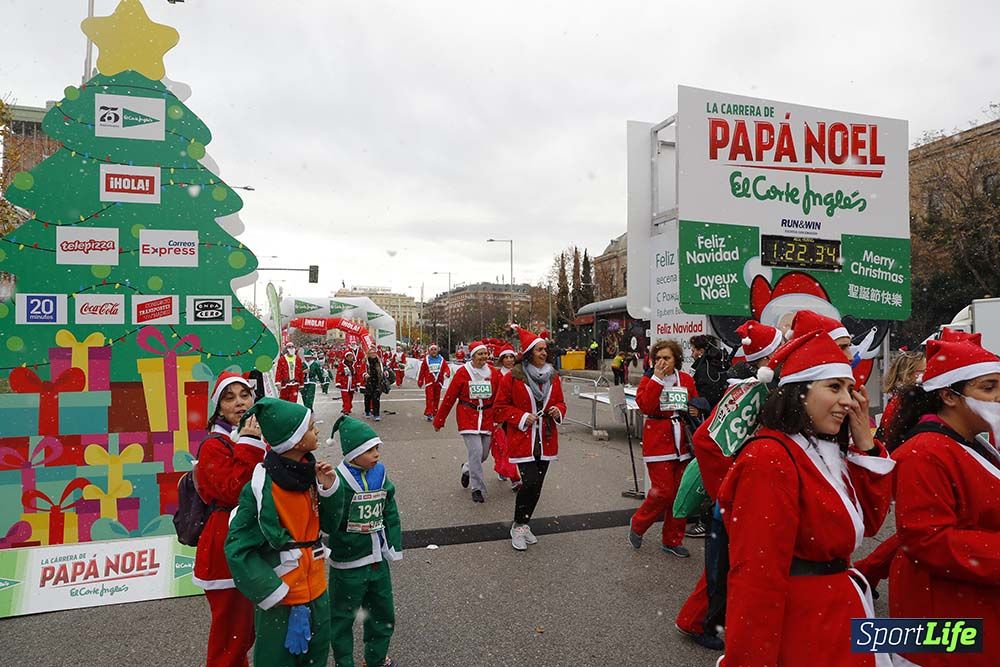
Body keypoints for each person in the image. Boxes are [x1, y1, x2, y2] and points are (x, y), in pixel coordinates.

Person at [716, 330, 894, 667]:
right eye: (834, 387)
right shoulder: (770, 458)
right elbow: (756, 580)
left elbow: (868, 523)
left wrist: (865, 447)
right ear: (800, 391)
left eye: (849, 388)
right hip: (806, 628)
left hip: (838, 615)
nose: (849, 400)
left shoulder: (825, 448)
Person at [881, 338, 1000, 667]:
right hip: (944, 617)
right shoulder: (926, 453)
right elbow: (926, 539)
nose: (998, 397)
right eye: (989, 387)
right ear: (948, 395)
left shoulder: (969, 443)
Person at [674, 319, 783, 651]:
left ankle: (703, 619)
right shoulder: (754, 392)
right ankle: (698, 621)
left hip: (749, 491)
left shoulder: (760, 387)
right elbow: (707, 442)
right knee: (723, 567)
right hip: (739, 495)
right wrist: (727, 488)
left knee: (729, 565)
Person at [224, 397, 338, 667]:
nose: (317, 432)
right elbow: (237, 548)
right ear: (296, 441)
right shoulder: (260, 489)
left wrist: (330, 489)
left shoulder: (311, 475)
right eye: (311, 428)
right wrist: (271, 590)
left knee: (317, 657)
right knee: (275, 661)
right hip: (281, 600)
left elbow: (331, 525)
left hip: (318, 592)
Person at [193, 372, 266, 667]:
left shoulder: (257, 436)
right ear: (219, 408)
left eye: (244, 395)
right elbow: (235, 491)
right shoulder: (214, 445)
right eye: (229, 397)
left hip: (251, 543)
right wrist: (249, 443)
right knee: (230, 636)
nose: (239, 403)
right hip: (225, 546)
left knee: (246, 631)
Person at [324, 416, 402, 667]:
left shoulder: (380, 473)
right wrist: (326, 491)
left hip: (378, 562)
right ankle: (344, 662)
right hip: (348, 565)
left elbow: (389, 507)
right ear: (352, 454)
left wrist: (393, 543)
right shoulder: (337, 480)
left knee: (382, 614)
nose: (376, 454)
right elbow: (327, 518)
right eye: (369, 450)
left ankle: (376, 658)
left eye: (377, 448)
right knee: (342, 618)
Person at [495, 326, 566, 551]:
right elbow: (499, 409)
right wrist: (522, 416)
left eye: (545, 349)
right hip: (523, 439)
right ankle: (517, 525)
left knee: (537, 486)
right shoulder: (513, 378)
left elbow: (562, 402)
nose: (544, 353)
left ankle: (524, 524)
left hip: (545, 439)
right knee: (531, 482)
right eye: (539, 350)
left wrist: (557, 410)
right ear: (528, 353)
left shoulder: (553, 377)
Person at [627, 339, 699, 558]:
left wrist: (693, 408)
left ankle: (672, 539)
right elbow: (646, 405)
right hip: (658, 441)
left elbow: (693, 401)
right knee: (663, 491)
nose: (661, 362)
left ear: (675, 359)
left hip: (681, 442)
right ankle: (638, 524)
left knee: (680, 495)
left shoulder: (685, 379)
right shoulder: (649, 379)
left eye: (666, 358)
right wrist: (657, 378)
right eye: (658, 358)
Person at [434, 340, 501, 503]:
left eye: (485, 353)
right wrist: (440, 419)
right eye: (480, 354)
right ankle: (477, 488)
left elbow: (500, 397)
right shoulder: (463, 373)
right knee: (476, 452)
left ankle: (466, 469)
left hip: (487, 418)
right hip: (468, 417)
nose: (483, 357)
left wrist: (501, 419)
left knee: (483, 454)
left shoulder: (493, 373)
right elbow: (450, 397)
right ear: (473, 356)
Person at [491, 344, 522, 490]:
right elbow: (493, 398)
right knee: (503, 447)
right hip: (501, 418)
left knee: (515, 448)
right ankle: (514, 478)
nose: (509, 360)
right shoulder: (496, 376)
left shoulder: (520, 374)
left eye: (511, 357)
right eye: (506, 357)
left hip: (518, 417)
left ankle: (505, 469)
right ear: (501, 359)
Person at [689, 334, 728, 408]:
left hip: (706, 412)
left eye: (693, 351)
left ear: (701, 351)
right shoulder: (721, 365)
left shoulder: (700, 369)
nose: (692, 355)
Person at [417, 343, 450, 422]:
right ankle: (429, 413)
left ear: (437, 350)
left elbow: (446, 368)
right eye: (431, 350)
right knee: (429, 398)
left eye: (435, 349)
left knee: (437, 398)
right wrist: (420, 380)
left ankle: (435, 412)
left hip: (438, 383)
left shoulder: (441, 360)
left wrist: (447, 373)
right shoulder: (426, 360)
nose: (433, 351)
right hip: (429, 382)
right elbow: (422, 371)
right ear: (429, 351)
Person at [363, 348, 387, 422]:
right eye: (371, 353)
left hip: (377, 382)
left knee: (376, 398)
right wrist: (364, 374)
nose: (373, 354)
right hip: (368, 382)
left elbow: (384, 368)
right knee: (367, 398)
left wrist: (385, 372)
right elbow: (361, 370)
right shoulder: (366, 362)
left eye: (374, 352)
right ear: (368, 354)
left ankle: (376, 414)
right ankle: (367, 411)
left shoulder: (379, 361)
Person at [336, 350, 358, 416]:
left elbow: (357, 374)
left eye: (352, 356)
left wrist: (358, 383)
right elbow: (338, 374)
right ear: (346, 357)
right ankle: (346, 409)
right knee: (345, 397)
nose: (351, 357)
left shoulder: (354, 364)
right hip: (344, 382)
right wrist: (338, 382)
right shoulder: (342, 364)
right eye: (350, 356)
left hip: (352, 383)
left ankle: (348, 407)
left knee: (350, 396)